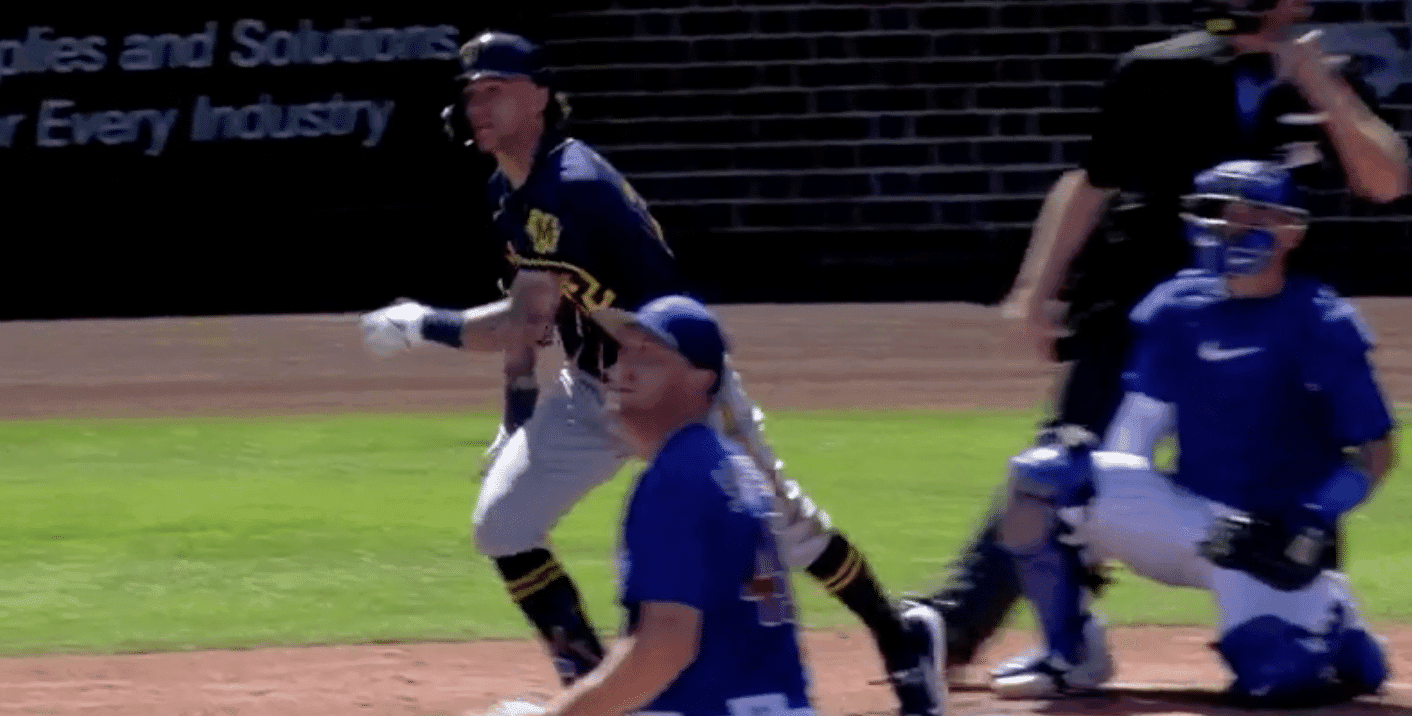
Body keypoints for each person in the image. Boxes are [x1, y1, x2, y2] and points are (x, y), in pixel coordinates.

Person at [358, 31, 945, 716]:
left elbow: (520, 318)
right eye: (471, 94)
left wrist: (421, 323)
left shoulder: (568, 185)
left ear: (540, 96)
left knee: (788, 527)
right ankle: (594, 686)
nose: (478, 106)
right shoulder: (506, 190)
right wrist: (515, 415)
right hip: (592, 386)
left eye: (495, 90)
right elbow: (533, 320)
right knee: (503, 525)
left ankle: (902, 639)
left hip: (676, 384)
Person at [902, 0, 1410, 683]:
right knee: (1063, 462)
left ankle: (1315, 612)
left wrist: (1319, 82)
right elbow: (1093, 181)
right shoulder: (1159, 69)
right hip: (1147, 300)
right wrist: (1035, 289)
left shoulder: (1328, 72)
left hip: (1271, 311)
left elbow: (1386, 180)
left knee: (1284, 475)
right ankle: (975, 628)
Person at [988, 158, 1397, 705]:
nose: (1234, 229)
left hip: (1268, 539)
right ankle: (1071, 652)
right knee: (1045, 476)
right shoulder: (1175, 307)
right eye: (1221, 214)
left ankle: (1332, 620)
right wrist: (1097, 520)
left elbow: (1374, 452)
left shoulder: (1322, 322)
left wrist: (1310, 519)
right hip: (1191, 519)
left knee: (1275, 678)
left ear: (1292, 232)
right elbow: (1138, 430)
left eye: (1255, 216)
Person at [476, 295, 821, 716]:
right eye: (623, 352)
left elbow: (663, 648)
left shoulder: (678, 479)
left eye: (649, 356)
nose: (621, 370)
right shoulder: (731, 468)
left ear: (702, 379)